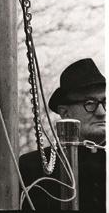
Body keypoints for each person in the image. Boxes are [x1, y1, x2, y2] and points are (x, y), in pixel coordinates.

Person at [19, 58, 106, 212]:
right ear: (65, 113)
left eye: (105, 102)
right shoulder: (32, 168)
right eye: (90, 104)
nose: (102, 112)